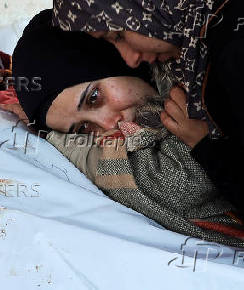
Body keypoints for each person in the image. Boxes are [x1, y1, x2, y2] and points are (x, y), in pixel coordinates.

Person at [3, 9, 244, 247]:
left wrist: (55, 138)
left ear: (114, 57)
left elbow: (178, 186)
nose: (108, 125)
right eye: (83, 128)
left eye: (94, 97)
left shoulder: (203, 77)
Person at [52, 0, 244, 213]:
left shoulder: (230, 52)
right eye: (82, 129)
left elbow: (182, 185)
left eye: (118, 36)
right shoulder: (192, 57)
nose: (131, 59)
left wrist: (204, 145)